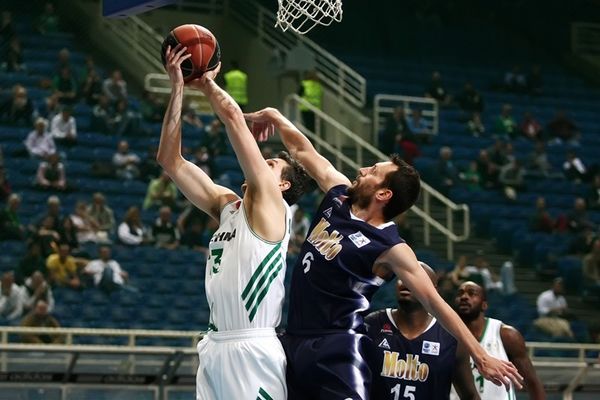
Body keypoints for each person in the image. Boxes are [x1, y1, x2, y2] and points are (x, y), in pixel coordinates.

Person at [243, 107, 522, 400]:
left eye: (373, 172)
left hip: (338, 347)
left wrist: (480, 354)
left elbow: (433, 301)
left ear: (383, 194)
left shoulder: (391, 247)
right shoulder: (338, 194)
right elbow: (302, 149)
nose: (362, 170)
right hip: (294, 338)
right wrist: (275, 117)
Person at [158, 44, 310, 400]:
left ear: (283, 185)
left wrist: (207, 81)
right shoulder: (228, 206)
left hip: (252, 347)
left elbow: (233, 118)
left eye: (271, 164)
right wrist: (178, 86)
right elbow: (170, 160)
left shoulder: (275, 208)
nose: (262, 163)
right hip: (213, 344)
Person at [365, 262, 479, 400]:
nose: (406, 283)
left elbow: (471, 395)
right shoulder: (372, 324)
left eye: (415, 279)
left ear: (433, 291)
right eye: (402, 277)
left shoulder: (451, 336)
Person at [453, 282, 545, 399]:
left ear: (484, 305)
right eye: (460, 294)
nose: (464, 297)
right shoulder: (444, 335)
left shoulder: (506, 335)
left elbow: (532, 383)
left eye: (472, 293)